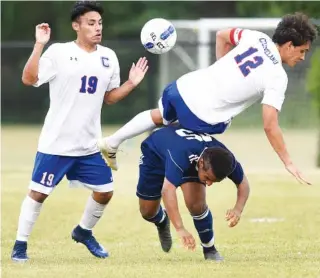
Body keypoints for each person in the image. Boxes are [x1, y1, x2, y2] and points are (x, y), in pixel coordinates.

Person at [98, 12, 317, 185]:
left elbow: (222, 34)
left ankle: (112, 142)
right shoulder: (277, 76)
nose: (302, 57)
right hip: (203, 115)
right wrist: (288, 162)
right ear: (289, 45)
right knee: (207, 137)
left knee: (159, 117)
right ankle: (165, 177)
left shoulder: (257, 37)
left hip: (183, 87)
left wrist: (221, 67)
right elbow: (270, 126)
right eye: (302, 51)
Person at [11, 1, 148, 262]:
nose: (98, 28)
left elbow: (109, 98)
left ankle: (83, 232)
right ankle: (20, 245)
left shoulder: (108, 57)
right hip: (56, 144)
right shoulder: (59, 52)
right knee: (38, 193)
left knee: (105, 191)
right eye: (91, 23)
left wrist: (132, 83)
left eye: (100, 23)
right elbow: (29, 79)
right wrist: (39, 44)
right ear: (76, 26)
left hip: (88, 145)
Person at [136, 125, 250, 260]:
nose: (208, 184)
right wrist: (180, 228)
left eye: (213, 181)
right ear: (201, 163)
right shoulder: (181, 154)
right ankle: (161, 220)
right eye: (207, 178)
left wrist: (238, 209)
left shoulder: (225, 158)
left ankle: (210, 249)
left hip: (190, 157)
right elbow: (167, 190)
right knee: (147, 212)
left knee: (196, 204)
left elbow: (243, 184)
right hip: (155, 155)